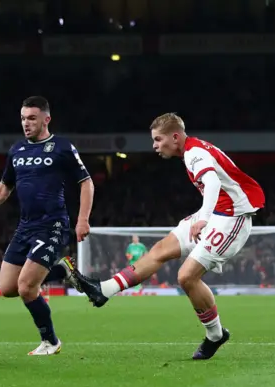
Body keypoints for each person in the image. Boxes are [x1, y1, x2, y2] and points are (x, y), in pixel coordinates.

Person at [65, 113, 264, 360]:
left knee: (186, 276)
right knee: (161, 249)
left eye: (158, 139)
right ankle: (104, 290)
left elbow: (212, 182)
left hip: (232, 218)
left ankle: (215, 335)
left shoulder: (194, 153)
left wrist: (202, 218)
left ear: (176, 137)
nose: (155, 146)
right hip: (218, 212)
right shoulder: (194, 149)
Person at [0, 96, 94, 355]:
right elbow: (5, 187)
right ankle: (61, 270)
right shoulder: (17, 150)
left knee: (27, 287)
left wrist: (82, 219)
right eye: (23, 118)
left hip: (53, 225)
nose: (26, 123)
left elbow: (86, 182)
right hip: (25, 227)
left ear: (46, 119)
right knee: (7, 288)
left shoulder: (62, 147)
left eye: (32, 118)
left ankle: (50, 341)